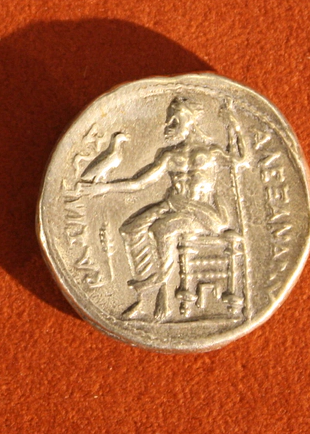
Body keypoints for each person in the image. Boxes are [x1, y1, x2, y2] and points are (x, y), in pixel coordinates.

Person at [84, 96, 247, 322]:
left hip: (202, 213)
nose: (168, 126)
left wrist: (234, 124)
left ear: (190, 120)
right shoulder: (169, 156)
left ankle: (160, 291)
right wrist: (106, 188)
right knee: (130, 229)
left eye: (174, 120)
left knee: (161, 229)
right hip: (172, 206)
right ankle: (144, 294)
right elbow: (140, 182)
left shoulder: (210, 153)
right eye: (168, 121)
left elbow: (240, 160)